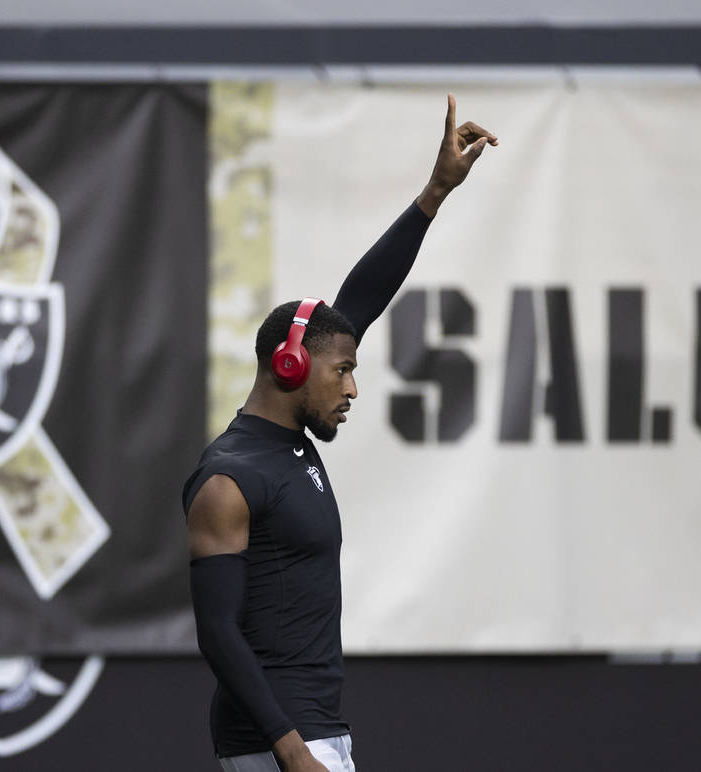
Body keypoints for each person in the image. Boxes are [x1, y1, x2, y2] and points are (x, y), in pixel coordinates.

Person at [183, 94, 497, 772]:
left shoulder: (288, 440)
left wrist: (437, 190)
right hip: (282, 744)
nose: (353, 387)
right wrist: (292, 751)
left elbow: (363, 293)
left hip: (310, 732)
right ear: (289, 366)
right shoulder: (230, 478)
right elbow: (217, 634)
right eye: (344, 371)